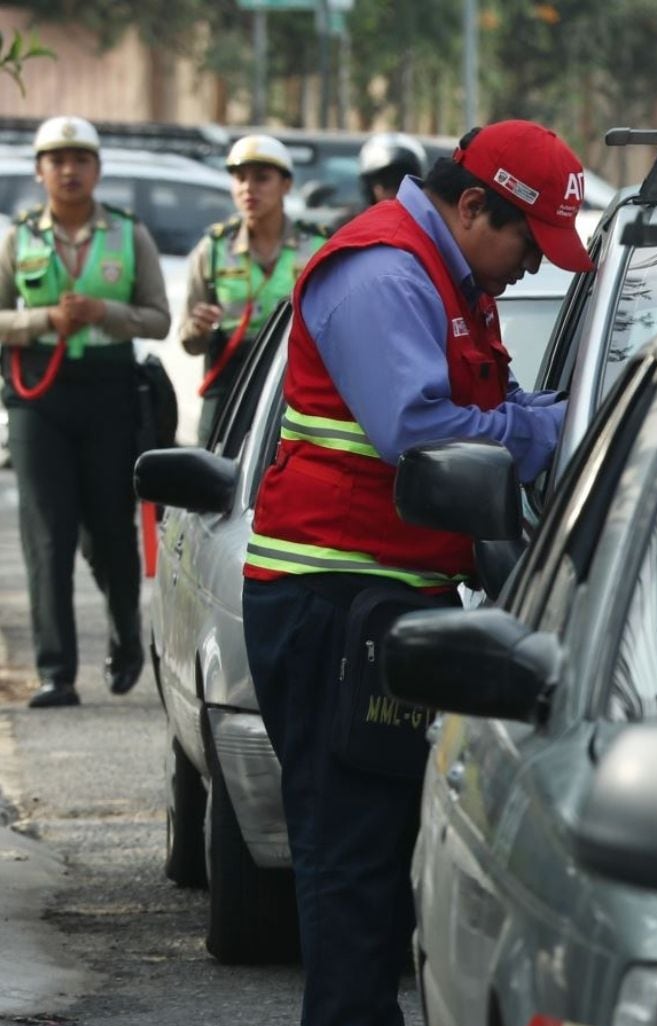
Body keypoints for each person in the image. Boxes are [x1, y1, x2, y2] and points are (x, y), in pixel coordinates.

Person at [241, 120, 588, 1026]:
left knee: (378, 830)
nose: (529, 267)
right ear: (473, 206)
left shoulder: (455, 280)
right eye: (528, 243)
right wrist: (558, 428)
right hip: (330, 593)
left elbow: (484, 411)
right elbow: (421, 430)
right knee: (348, 840)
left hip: (384, 592)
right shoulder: (385, 272)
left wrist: (536, 421)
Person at [0, 116, 169, 708]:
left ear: (97, 169)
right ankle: (56, 671)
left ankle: (126, 633)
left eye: (80, 160)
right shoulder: (19, 237)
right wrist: (43, 320)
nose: (68, 171)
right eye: (56, 160)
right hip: (39, 394)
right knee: (48, 533)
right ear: (40, 170)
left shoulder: (128, 233)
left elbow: (158, 318)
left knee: (109, 532)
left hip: (109, 387)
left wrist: (104, 312)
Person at [180, 135, 328, 446]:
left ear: (286, 185)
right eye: (240, 178)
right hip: (228, 385)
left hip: (293, 384)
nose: (249, 188)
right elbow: (189, 341)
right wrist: (199, 327)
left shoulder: (317, 246)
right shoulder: (214, 249)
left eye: (262, 178)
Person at [356, 132, 427, 208]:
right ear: (369, 186)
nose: (396, 191)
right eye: (387, 180)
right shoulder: (354, 219)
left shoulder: (429, 219)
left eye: (402, 181)